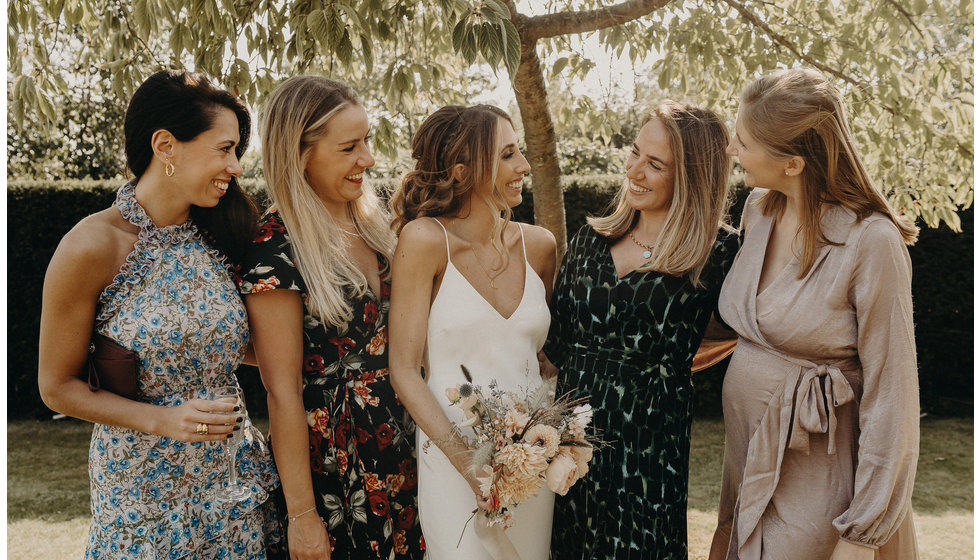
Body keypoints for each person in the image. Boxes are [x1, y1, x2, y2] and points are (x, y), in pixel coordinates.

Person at [37, 69, 284, 559]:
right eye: (224, 148)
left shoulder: (227, 235)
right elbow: (56, 387)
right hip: (141, 498)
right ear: (165, 145)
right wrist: (162, 420)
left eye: (236, 151)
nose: (235, 167)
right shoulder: (90, 246)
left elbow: (258, 349)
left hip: (233, 485)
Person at [708, 68, 920, 560]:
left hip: (822, 485)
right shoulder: (759, 210)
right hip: (746, 466)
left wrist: (861, 535)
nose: (733, 152)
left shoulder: (872, 242)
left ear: (793, 164)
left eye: (744, 142)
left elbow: (893, 396)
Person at [239, 75, 424, 560]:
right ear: (300, 154)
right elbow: (282, 392)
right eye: (349, 147)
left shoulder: (374, 223)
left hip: (414, 444)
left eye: (368, 140)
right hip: (343, 470)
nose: (368, 158)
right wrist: (302, 515)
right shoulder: (275, 252)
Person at [544, 101, 740, 560]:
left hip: (650, 449)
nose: (634, 170)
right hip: (572, 443)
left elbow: (747, 332)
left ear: (692, 176)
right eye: (634, 153)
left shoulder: (720, 253)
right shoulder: (589, 241)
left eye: (655, 164)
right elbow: (555, 347)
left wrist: (670, 366)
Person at [388, 105, 558, 559]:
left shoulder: (540, 247)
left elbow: (539, 356)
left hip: (529, 462)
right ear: (463, 171)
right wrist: (472, 470)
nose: (523, 165)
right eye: (506, 154)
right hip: (451, 458)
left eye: (518, 151)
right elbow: (403, 371)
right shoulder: (424, 241)